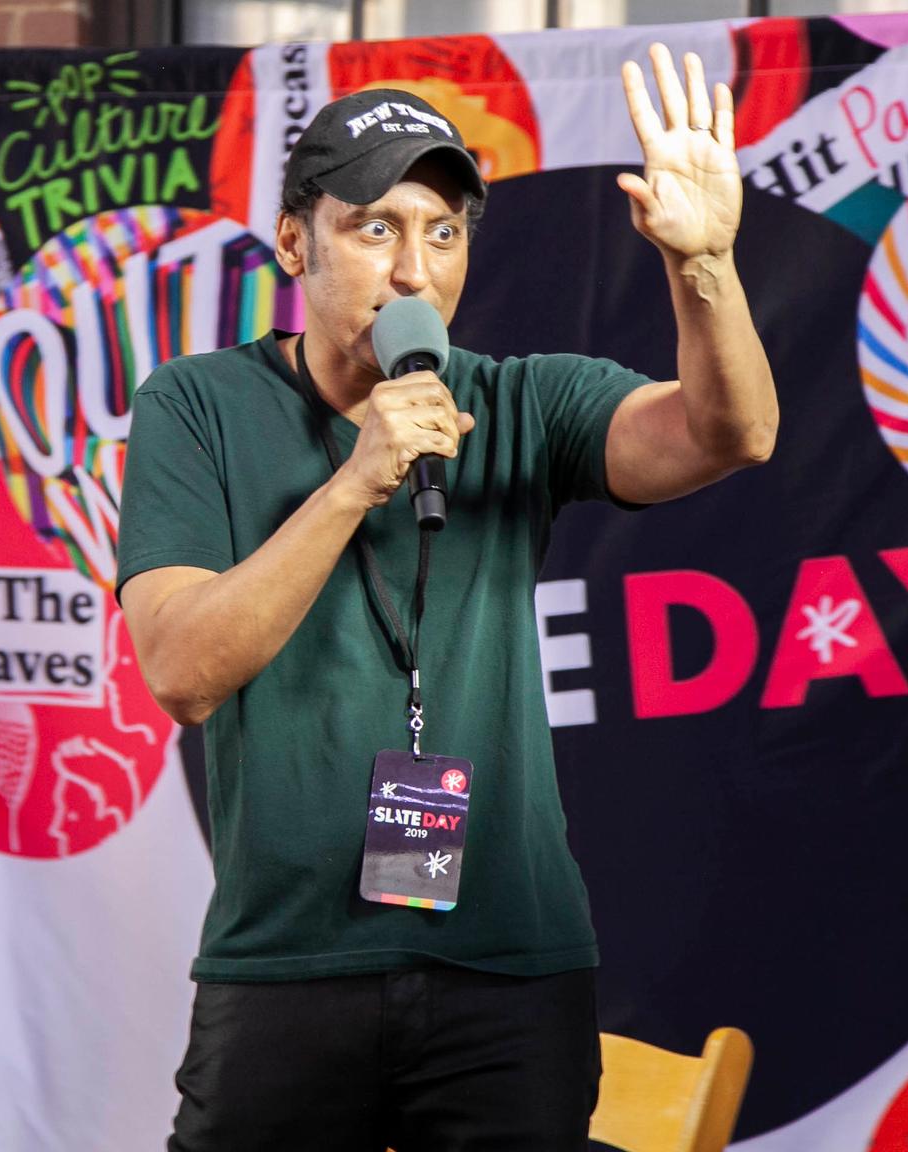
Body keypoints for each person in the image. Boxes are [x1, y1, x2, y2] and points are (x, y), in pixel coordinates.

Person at [117, 43, 777, 1151]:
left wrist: (703, 266)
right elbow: (182, 673)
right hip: (289, 962)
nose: (415, 272)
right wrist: (354, 482)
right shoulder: (199, 406)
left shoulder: (522, 401)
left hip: (508, 969)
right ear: (295, 242)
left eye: (443, 232)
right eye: (375, 229)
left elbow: (732, 432)